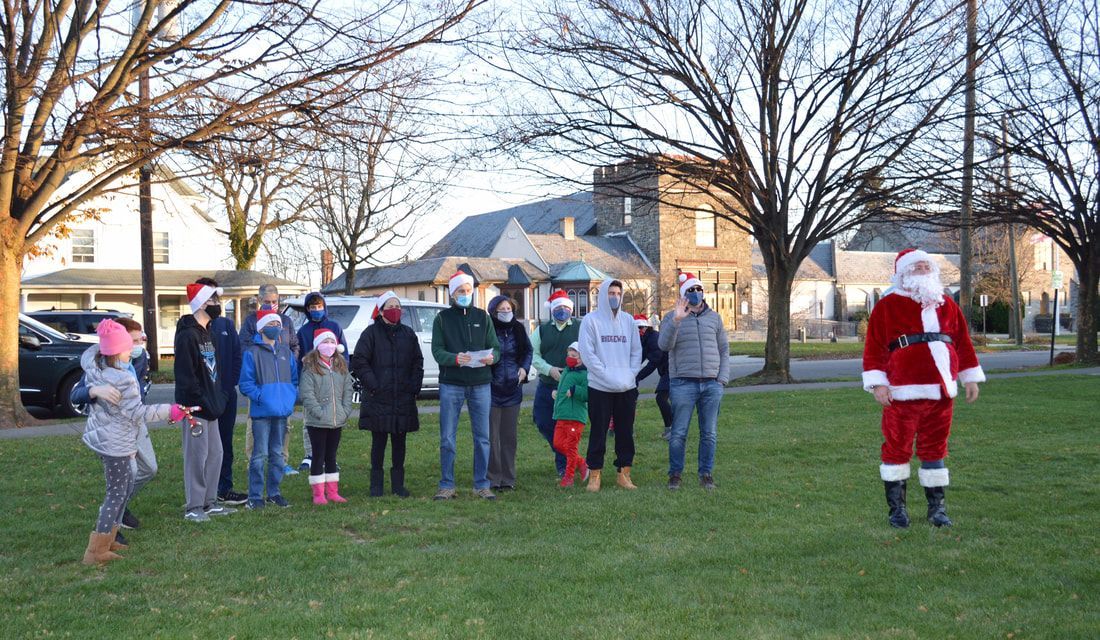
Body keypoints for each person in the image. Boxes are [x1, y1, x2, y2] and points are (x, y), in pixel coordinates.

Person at [862, 249, 985, 528]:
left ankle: (937, 509)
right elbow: (874, 347)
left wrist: (970, 378)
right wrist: (878, 383)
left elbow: (962, 342)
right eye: (916, 267)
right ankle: (897, 511)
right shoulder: (888, 305)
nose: (922, 269)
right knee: (896, 448)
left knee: (935, 448)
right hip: (901, 392)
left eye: (926, 266)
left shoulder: (946, 304)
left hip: (940, 392)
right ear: (902, 273)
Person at [80, 319, 186, 564]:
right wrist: (171, 411)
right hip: (116, 443)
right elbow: (138, 413)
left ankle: (109, 538)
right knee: (116, 494)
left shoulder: (97, 368)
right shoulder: (122, 378)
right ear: (117, 351)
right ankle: (96, 551)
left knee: (123, 489)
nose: (134, 350)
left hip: (110, 439)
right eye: (129, 346)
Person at [70, 317, 155, 543]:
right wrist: (94, 390)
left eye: (140, 340)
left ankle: (119, 508)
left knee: (149, 469)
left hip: (135, 421)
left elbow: (137, 395)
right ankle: (110, 524)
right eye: (133, 341)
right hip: (114, 432)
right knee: (128, 475)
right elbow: (76, 395)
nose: (138, 346)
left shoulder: (138, 359)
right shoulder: (100, 365)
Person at [430, 271, 501, 500]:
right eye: (461, 291)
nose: (465, 294)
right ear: (452, 293)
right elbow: (437, 350)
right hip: (451, 383)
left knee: (483, 437)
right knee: (447, 437)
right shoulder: (442, 319)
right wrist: (454, 359)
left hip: (481, 383)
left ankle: (481, 484)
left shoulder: (483, 317)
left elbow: (496, 348)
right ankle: (446, 485)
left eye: (468, 290)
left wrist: (492, 358)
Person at [658, 273, 730, 491]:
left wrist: (722, 379)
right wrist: (676, 321)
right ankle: (675, 474)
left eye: (699, 289)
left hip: (711, 384)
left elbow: (724, 349)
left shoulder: (714, 318)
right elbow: (664, 345)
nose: (696, 293)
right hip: (683, 384)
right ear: (683, 294)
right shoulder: (671, 317)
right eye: (691, 290)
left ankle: (705, 473)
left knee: (709, 433)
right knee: (678, 433)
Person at [351, 291, 424, 497]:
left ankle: (398, 485)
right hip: (378, 398)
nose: (395, 310)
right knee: (379, 443)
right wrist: (374, 385)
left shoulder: (408, 334)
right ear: (381, 311)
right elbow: (359, 361)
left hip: (403, 397)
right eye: (390, 307)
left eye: (398, 307)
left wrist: (413, 387)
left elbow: (417, 362)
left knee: (400, 444)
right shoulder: (370, 334)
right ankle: (376, 486)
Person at [175, 280, 233, 522]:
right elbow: (186, 377)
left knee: (215, 454)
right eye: (212, 300)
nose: (217, 304)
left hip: (211, 407)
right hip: (195, 408)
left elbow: (214, 373)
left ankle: (210, 502)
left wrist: (219, 398)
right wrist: (202, 401)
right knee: (196, 457)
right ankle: (194, 506)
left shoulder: (208, 333)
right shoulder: (187, 335)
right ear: (201, 304)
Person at [579, 279, 643, 492]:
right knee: (598, 431)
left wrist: (630, 374)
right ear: (603, 295)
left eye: (618, 293)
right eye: (611, 293)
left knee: (625, 431)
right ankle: (595, 474)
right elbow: (588, 354)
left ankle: (624, 473)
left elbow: (636, 351)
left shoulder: (628, 321)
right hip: (600, 387)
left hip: (626, 386)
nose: (614, 297)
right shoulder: (590, 321)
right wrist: (607, 376)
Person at [188, 278, 244, 508]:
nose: (215, 302)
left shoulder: (226, 326)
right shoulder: (192, 330)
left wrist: (227, 387)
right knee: (203, 449)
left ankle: (223, 488)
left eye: (216, 298)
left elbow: (237, 356)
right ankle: (199, 496)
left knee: (224, 444)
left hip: (226, 394)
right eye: (210, 298)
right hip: (204, 399)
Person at [238, 310, 298, 510]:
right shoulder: (251, 353)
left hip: (281, 412)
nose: (275, 327)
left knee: (277, 454)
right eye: (271, 324)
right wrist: (262, 398)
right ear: (261, 328)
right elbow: (246, 384)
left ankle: (274, 492)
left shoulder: (286, 353)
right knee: (259, 455)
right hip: (262, 413)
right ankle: (255, 496)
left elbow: (294, 379)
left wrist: (289, 398)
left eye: (278, 324)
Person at [294, 291, 350, 473]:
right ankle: (310, 454)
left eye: (319, 306)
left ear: (324, 307)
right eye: (312, 307)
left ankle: (330, 457)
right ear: (307, 309)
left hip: (332, 379)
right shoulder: (303, 332)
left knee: (332, 420)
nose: (316, 310)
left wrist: (341, 373)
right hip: (312, 380)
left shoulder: (334, 327)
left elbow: (344, 353)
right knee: (310, 419)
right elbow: (299, 358)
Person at [299, 329, 355, 505]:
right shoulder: (310, 368)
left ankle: (332, 492)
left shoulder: (341, 366)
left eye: (332, 342)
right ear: (318, 346)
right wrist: (320, 413)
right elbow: (307, 395)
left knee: (331, 456)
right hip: (317, 421)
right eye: (325, 342)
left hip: (336, 419)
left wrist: (345, 410)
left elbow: (348, 390)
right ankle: (318, 494)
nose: (329, 346)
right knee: (318, 456)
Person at [530, 290, 580, 480]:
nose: (563, 310)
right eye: (559, 307)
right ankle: (571, 457)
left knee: (566, 426)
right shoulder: (542, 330)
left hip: (570, 388)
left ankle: (564, 464)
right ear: (552, 309)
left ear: (571, 309)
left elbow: (589, 352)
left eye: (566, 307)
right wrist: (549, 369)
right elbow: (533, 354)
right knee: (542, 421)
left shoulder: (580, 327)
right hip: (547, 384)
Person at [487, 295, 532, 491]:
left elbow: (528, 351)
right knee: (492, 437)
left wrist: (524, 368)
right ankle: (493, 478)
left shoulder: (518, 329)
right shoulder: (488, 329)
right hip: (491, 391)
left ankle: (508, 478)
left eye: (509, 309)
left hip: (513, 390)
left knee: (509, 437)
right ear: (494, 312)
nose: (506, 312)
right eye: (502, 310)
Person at [551, 342, 589, 488]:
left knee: (571, 448)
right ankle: (581, 463)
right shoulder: (566, 371)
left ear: (582, 358)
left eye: (574, 356)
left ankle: (569, 478)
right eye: (569, 355)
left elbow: (588, 394)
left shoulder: (585, 374)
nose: (570, 358)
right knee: (558, 444)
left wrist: (575, 390)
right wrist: (556, 393)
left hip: (575, 418)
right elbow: (563, 388)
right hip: (562, 415)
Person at [634, 314, 672, 440]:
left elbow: (653, 363)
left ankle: (672, 428)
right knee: (665, 399)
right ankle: (672, 428)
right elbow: (640, 357)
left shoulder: (654, 338)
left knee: (661, 398)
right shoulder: (645, 339)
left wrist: (638, 377)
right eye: (636, 328)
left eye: (640, 327)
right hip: (666, 371)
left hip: (672, 371)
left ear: (646, 327)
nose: (638, 331)